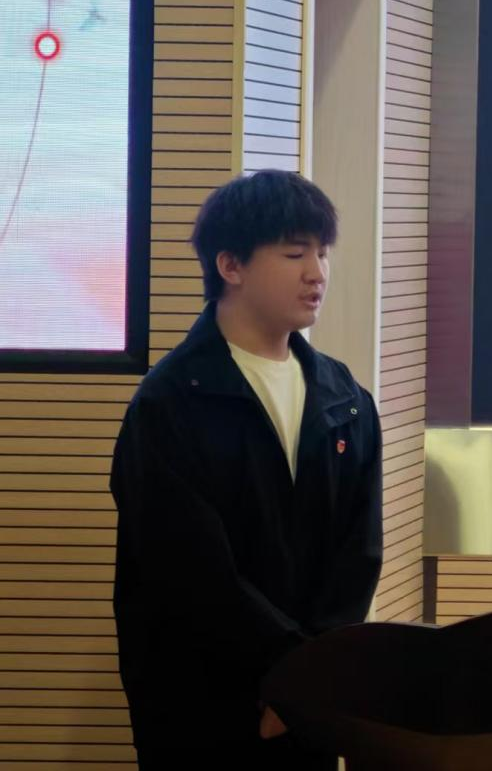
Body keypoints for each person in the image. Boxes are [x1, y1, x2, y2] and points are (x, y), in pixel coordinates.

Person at [111, 170, 383, 769]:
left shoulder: (345, 397)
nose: (317, 272)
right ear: (230, 265)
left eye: (322, 252)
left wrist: (310, 678)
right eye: (294, 253)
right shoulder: (170, 401)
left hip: (311, 704)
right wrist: (284, 672)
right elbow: (189, 569)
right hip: (203, 703)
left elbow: (358, 553)